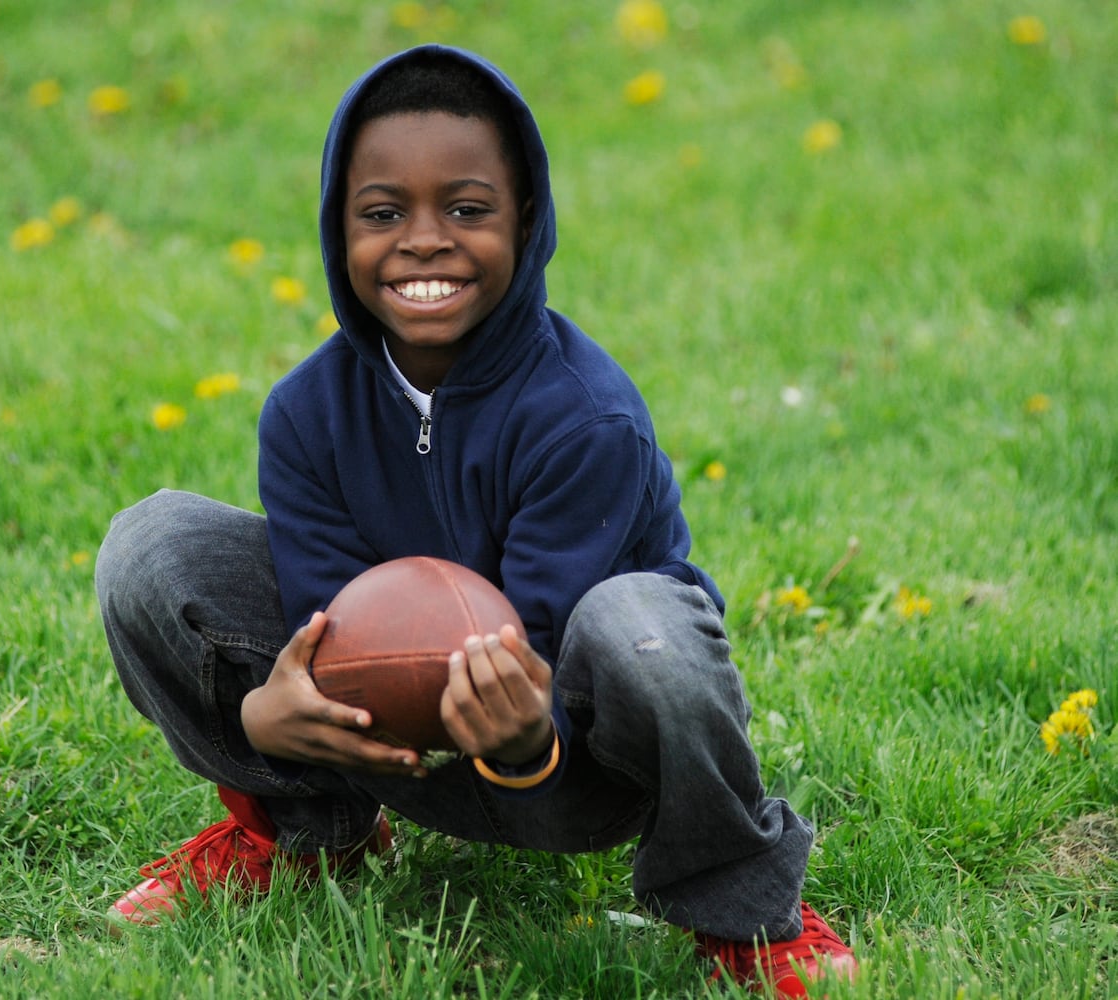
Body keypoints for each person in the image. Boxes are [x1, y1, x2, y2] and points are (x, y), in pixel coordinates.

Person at [95, 44, 857, 997]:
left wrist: (527, 741)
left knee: (644, 630)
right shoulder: (305, 413)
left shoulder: (590, 419)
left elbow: (538, 652)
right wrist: (268, 718)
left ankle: (744, 913)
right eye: (382, 214)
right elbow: (322, 628)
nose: (423, 240)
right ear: (337, 232)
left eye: (466, 209)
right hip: (387, 743)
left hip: (572, 758)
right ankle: (303, 833)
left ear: (527, 221)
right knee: (151, 544)